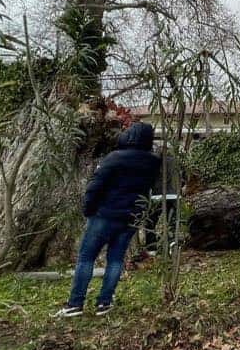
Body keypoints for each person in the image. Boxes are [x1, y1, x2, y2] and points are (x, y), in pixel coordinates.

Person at [55, 121, 161, 317]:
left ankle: (75, 303)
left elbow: (95, 185)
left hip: (105, 214)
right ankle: (104, 303)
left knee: (86, 258)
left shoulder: (114, 158)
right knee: (115, 260)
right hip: (130, 217)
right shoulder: (153, 162)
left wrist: (88, 208)